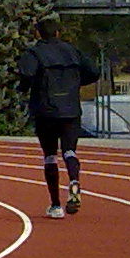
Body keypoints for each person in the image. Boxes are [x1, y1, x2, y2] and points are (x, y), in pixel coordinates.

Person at [17, 17, 100, 217]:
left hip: (46, 109)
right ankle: (73, 181)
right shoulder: (72, 51)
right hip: (70, 108)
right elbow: (94, 72)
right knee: (70, 150)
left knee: (50, 156)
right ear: (58, 33)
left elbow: (26, 74)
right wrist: (74, 84)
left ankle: (55, 205)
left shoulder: (34, 53)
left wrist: (24, 88)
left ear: (38, 34)